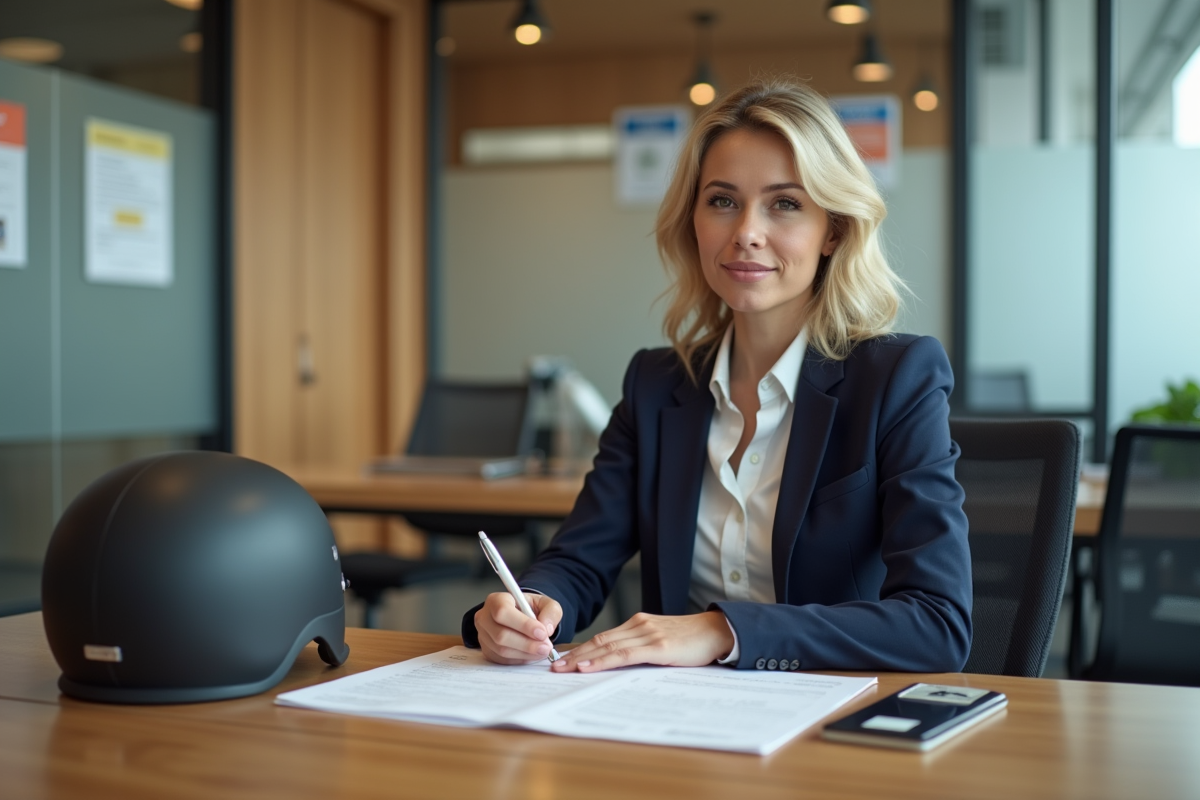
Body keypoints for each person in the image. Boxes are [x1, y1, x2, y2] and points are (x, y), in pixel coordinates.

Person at [463, 78, 972, 674]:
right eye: (723, 201)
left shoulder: (895, 379)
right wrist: (529, 606)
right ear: (695, 220)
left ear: (833, 228)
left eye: (785, 203)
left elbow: (937, 623)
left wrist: (721, 630)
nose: (745, 232)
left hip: (831, 725)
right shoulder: (656, 386)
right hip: (679, 722)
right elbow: (578, 559)